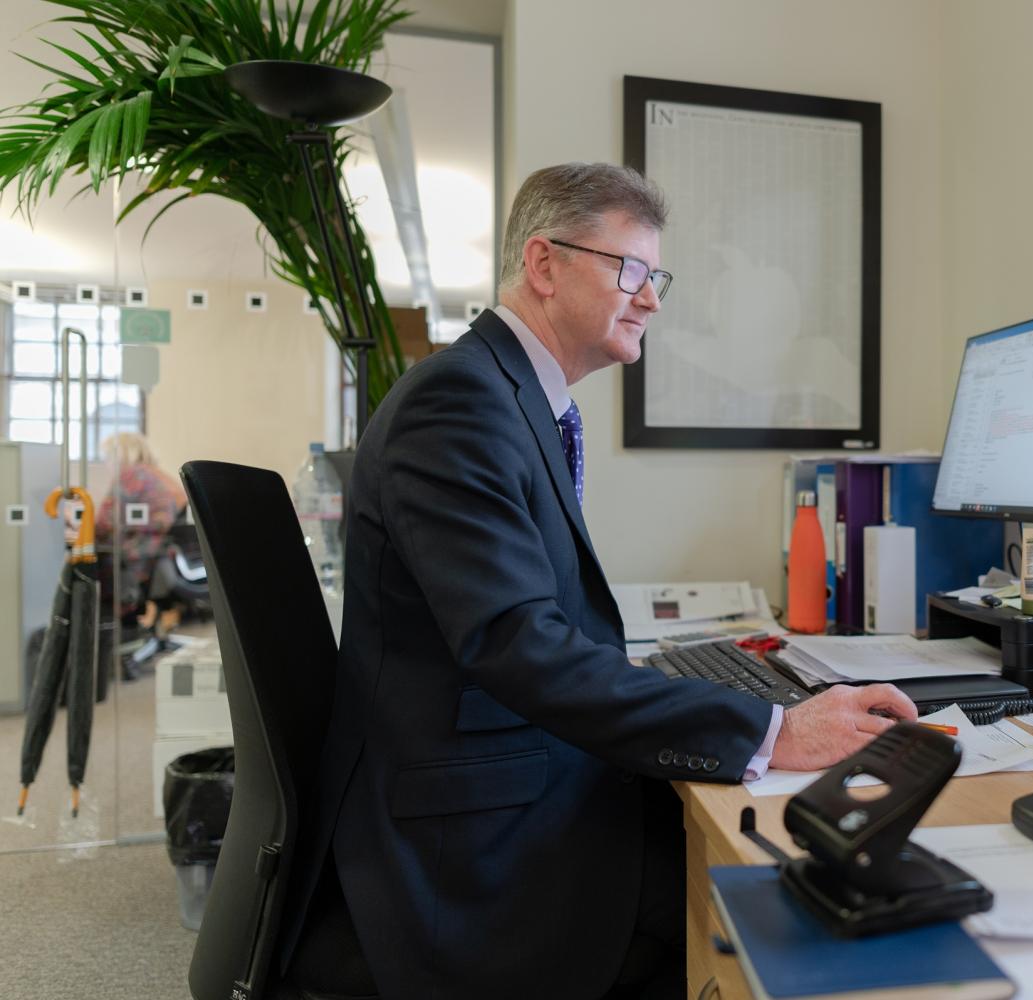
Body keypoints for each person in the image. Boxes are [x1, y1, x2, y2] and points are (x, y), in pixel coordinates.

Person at [292, 162, 918, 999]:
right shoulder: (460, 408)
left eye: (656, 275)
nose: (653, 297)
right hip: (469, 848)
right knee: (780, 913)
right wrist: (774, 730)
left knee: (777, 866)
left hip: (503, 783)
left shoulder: (507, 398)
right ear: (545, 266)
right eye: (631, 270)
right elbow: (518, 644)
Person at [94, 432, 188, 680]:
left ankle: (108, 635)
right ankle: (128, 631)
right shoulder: (158, 475)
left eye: (107, 457)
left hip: (140, 562)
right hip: (165, 559)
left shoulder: (131, 476)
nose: (107, 464)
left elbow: (103, 523)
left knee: (86, 567)